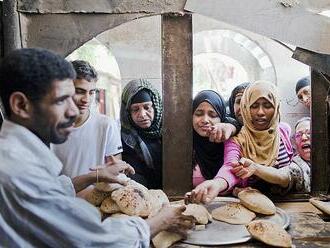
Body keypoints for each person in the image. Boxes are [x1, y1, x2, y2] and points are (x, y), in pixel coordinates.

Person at [0, 48, 194, 247]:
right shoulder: (19, 171)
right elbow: (94, 241)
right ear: (21, 105)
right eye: (61, 100)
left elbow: (55, 189)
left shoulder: (15, 157)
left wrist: (95, 177)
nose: (74, 110)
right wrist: (161, 221)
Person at [186, 81, 293, 203]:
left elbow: (288, 173)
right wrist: (217, 183)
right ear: (245, 107)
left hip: (290, 202)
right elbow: (230, 167)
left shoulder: (284, 131)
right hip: (253, 204)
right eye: (253, 106)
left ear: (276, 107)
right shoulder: (236, 140)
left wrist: (257, 168)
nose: (260, 112)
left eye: (267, 105)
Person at [52, 60, 123, 182]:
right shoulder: (49, 128)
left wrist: (117, 169)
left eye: (91, 92)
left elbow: (115, 171)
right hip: (59, 199)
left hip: (97, 199)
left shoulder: (107, 126)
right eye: (79, 92)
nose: (86, 99)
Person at [120, 79, 163, 189]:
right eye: (135, 109)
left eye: (147, 107)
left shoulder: (172, 133)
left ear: (155, 107)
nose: (142, 114)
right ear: (127, 112)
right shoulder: (124, 140)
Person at [191, 90, 238, 188]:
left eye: (212, 115)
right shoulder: (183, 142)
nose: (205, 120)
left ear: (221, 118)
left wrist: (232, 127)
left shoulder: (231, 142)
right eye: (199, 114)